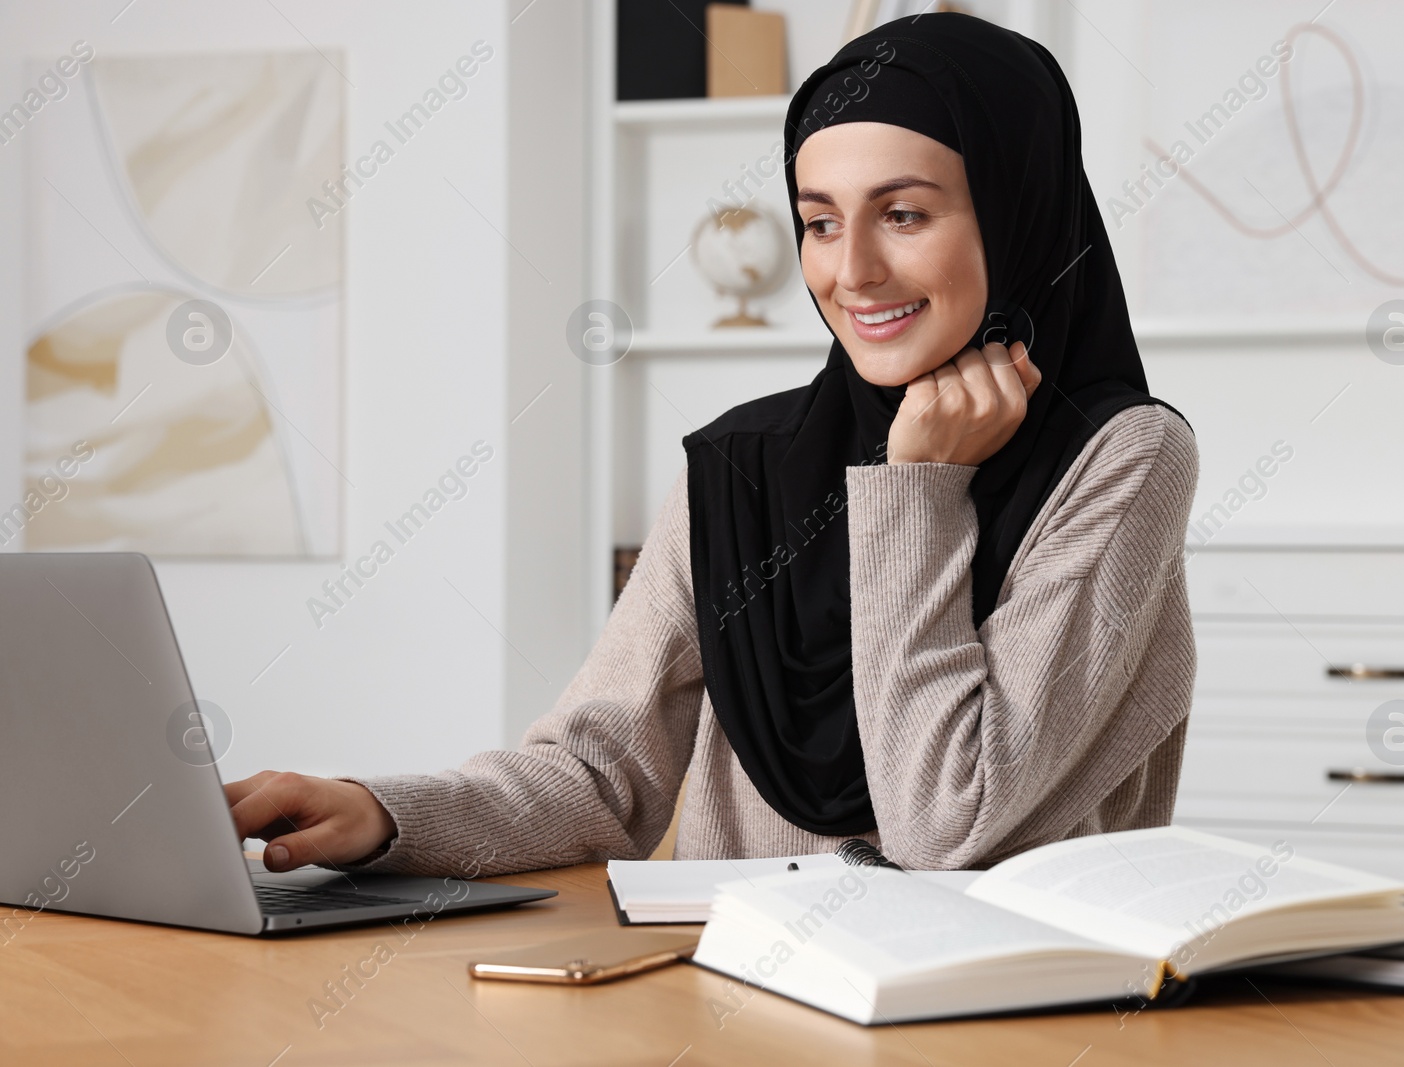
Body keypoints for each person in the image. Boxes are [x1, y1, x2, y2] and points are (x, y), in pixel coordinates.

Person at [226, 13, 1199, 876]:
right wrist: (386, 811)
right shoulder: (744, 466)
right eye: (818, 221)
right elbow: (603, 775)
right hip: (742, 1007)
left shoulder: (1121, 457)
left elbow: (947, 822)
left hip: (999, 1014)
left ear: (1016, 207)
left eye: (902, 214)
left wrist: (918, 483)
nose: (851, 270)